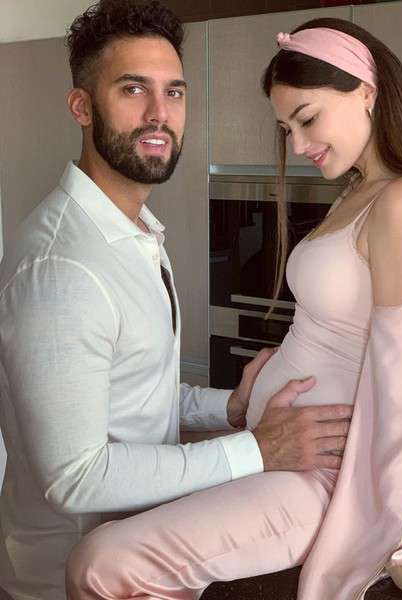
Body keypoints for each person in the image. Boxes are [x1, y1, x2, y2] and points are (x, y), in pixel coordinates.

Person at [65, 15, 402, 600]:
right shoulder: (357, 193)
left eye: (307, 119)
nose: (298, 145)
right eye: (287, 128)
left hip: (326, 477)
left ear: (367, 92)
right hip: (281, 451)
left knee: (100, 563)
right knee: (115, 535)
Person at [0, 4, 353, 600]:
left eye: (175, 92)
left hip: (138, 558)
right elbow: (75, 477)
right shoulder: (63, 268)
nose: (160, 114)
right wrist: (256, 450)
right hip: (64, 582)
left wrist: (230, 409)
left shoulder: (135, 232)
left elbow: (134, 398)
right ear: (81, 107)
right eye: (133, 89)